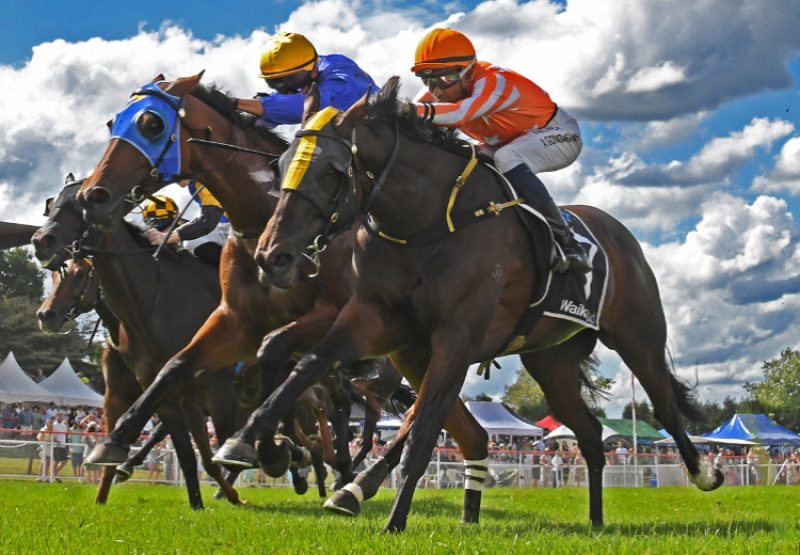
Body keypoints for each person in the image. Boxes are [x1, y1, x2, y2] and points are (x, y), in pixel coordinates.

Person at [409, 28, 590, 273]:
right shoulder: (440, 89)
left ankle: (567, 241)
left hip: (557, 134)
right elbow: (409, 112)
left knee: (507, 157)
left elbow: (459, 113)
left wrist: (407, 110)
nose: (437, 90)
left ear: (468, 71)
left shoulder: (494, 83)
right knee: (468, 160)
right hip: (508, 141)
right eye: (428, 80)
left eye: (444, 79)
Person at [234, 31, 377, 127]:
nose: (289, 92)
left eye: (295, 87)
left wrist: (235, 103)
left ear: (314, 71)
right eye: (276, 85)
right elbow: (272, 114)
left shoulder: (340, 75)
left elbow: (301, 106)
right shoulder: (301, 77)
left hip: (386, 137)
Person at [142, 184, 230, 266]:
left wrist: (167, 237)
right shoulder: (192, 187)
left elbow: (207, 221)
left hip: (233, 226)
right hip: (223, 226)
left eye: (163, 224)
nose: (160, 229)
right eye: (157, 227)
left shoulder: (201, 184)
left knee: (191, 242)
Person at [51, 412, 69, 481]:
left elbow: (68, 432)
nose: (60, 418)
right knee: (56, 461)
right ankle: (54, 475)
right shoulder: (54, 425)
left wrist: (67, 424)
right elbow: (52, 435)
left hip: (63, 445)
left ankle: (55, 474)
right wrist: (57, 441)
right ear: (56, 417)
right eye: (59, 417)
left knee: (65, 461)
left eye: (61, 417)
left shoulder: (63, 425)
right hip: (56, 446)